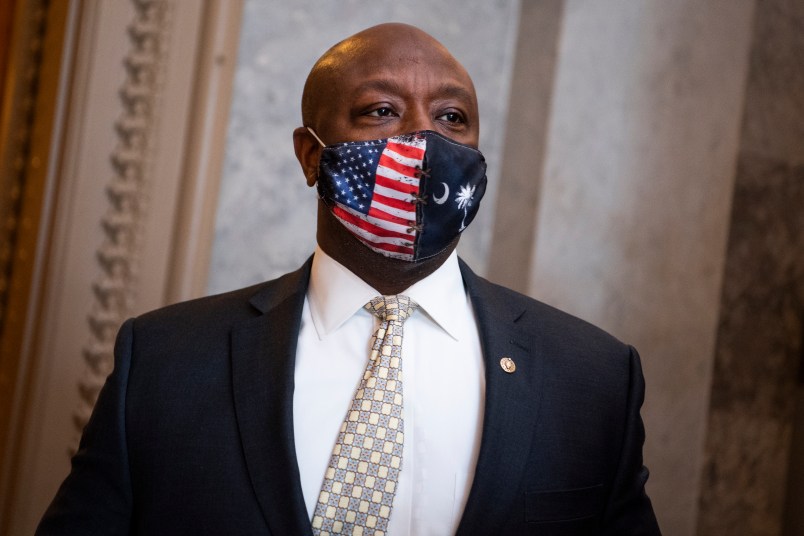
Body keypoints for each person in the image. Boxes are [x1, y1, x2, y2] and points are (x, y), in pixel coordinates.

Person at [37, 23, 661, 535]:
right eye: (382, 111)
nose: (422, 137)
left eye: (451, 117)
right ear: (311, 155)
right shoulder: (165, 361)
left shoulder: (591, 378)